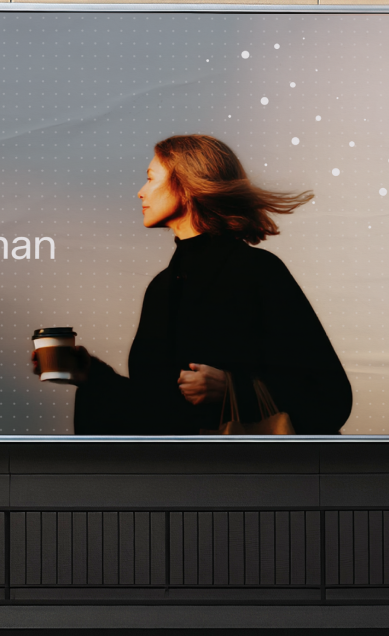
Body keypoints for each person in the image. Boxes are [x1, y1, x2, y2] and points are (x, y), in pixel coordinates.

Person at [36, 134, 351, 435]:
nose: (140, 192)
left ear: (186, 187)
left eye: (150, 178)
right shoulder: (162, 287)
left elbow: (331, 396)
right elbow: (159, 413)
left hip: (247, 483)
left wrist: (233, 389)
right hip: (177, 484)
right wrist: (90, 375)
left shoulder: (258, 271)